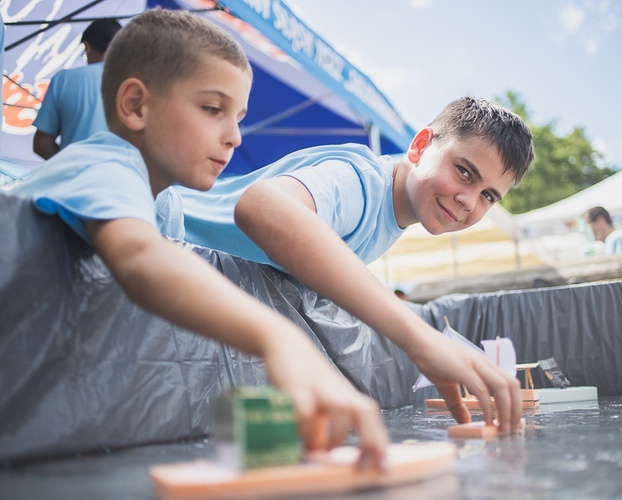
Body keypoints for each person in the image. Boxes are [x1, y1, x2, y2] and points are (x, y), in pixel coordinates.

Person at [11, 8, 388, 470]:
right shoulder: (105, 162)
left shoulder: (167, 205)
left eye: (239, 116)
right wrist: (279, 338)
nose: (233, 136)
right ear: (135, 106)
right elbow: (139, 257)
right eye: (213, 109)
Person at [177, 96, 535, 434]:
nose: (468, 200)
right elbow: (263, 206)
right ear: (420, 145)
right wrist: (420, 338)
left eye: (488, 195)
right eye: (464, 172)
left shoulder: (392, 216)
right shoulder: (361, 181)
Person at [32, 18, 122, 160]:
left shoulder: (64, 79)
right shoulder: (138, 85)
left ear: (88, 47)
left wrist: (68, 164)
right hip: (123, 178)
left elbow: (41, 144)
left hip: (72, 178)